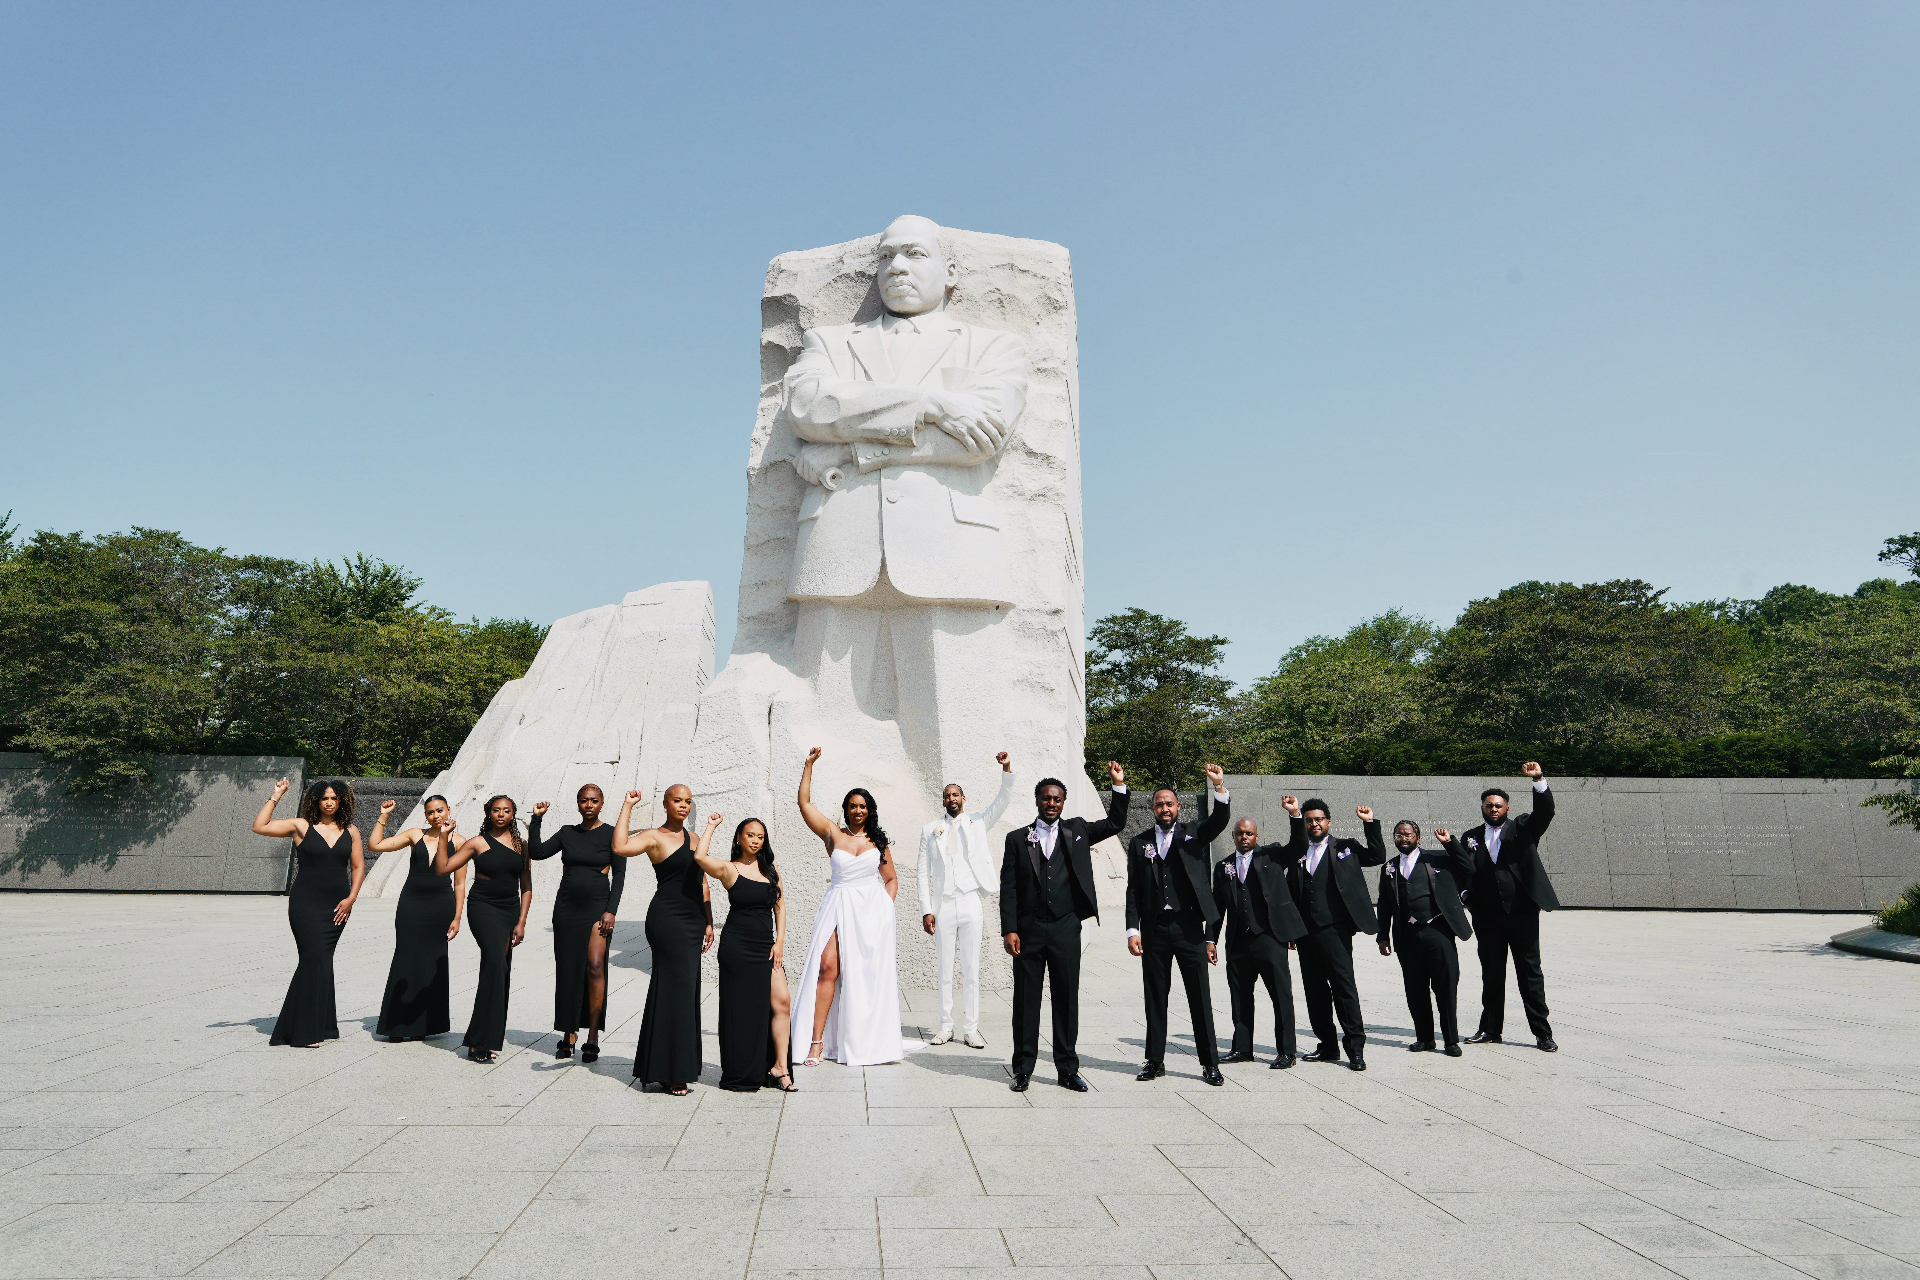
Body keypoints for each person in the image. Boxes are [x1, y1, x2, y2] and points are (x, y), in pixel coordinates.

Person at [1001, 762, 1130, 1093]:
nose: (1051, 804)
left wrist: (1117, 785)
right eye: (1046, 798)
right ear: (1037, 801)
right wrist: (1009, 929)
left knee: (1066, 999)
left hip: (1065, 928)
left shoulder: (1078, 831)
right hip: (1028, 931)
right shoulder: (1017, 839)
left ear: (1063, 802)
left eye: (1057, 799)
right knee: (1026, 1002)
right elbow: (1009, 888)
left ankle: (1067, 1069)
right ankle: (1023, 1069)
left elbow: (1116, 822)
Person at [790, 748, 907, 1068]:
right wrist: (808, 765)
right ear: (846, 809)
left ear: (870, 811)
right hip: (838, 904)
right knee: (827, 968)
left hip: (870, 913)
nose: (858, 810)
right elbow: (804, 804)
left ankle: (860, 1039)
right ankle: (815, 1043)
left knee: (861, 977)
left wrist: (884, 908)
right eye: (853, 806)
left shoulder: (877, 842)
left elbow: (891, 879)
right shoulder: (833, 834)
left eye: (863, 806)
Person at [1124, 766, 1232, 1085]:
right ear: (1153, 809)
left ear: (1178, 808)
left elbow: (1220, 821)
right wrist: (1133, 929)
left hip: (1188, 929)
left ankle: (1210, 1063)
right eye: (1159, 804)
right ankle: (1155, 1061)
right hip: (1155, 929)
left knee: (1199, 996)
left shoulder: (1194, 833)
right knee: (1156, 996)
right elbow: (1133, 889)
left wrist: (1219, 788)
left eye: (1169, 804)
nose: (1165, 808)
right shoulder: (1139, 843)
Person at [1442, 762, 1560, 1051]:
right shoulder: (1470, 837)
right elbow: (1461, 869)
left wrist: (1538, 779)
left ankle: (1542, 1034)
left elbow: (1545, 812)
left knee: (1530, 974)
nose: (1493, 809)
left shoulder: (1523, 828)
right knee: (1492, 974)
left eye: (1498, 805)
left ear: (1507, 809)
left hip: (1522, 915)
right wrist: (1467, 894)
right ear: (1482, 808)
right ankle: (1491, 1029)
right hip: (1488, 918)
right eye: (1489, 805)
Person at [613, 786, 717, 1095]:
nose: (683, 805)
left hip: (694, 920)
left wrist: (709, 920)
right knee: (675, 990)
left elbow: (703, 881)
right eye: (677, 800)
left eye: (688, 801)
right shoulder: (653, 836)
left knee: (684, 991)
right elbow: (619, 847)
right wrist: (627, 805)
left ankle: (666, 1065)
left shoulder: (696, 839)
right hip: (667, 919)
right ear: (666, 803)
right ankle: (673, 1072)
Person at [253, 779, 365, 1048]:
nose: (329, 802)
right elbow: (260, 826)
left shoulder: (352, 831)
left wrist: (351, 898)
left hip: (337, 905)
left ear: (341, 802)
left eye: (334, 798)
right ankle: (302, 1032)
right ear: (316, 800)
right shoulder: (301, 826)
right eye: (324, 798)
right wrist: (276, 795)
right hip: (305, 904)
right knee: (313, 958)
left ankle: (322, 1026)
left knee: (323, 961)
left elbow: (358, 867)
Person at [916, 751, 1017, 1049]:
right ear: (943, 800)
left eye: (956, 794)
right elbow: (923, 874)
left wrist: (1007, 768)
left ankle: (971, 1027)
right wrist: (926, 910)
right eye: (947, 795)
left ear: (963, 798)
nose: (952, 798)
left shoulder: (978, 822)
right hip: (943, 903)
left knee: (971, 968)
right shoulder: (929, 830)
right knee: (945, 968)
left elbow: (1004, 798)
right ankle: (946, 1025)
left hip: (972, 899)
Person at [1279, 795, 1385, 1071]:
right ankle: (1327, 1044)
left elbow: (1377, 856)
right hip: (1305, 933)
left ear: (1328, 822)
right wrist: (1290, 928)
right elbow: (1291, 892)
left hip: (1336, 930)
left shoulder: (1346, 848)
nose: (1314, 824)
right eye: (1309, 820)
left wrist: (1370, 823)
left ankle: (1355, 1048)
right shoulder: (1298, 851)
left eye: (1318, 819)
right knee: (1315, 992)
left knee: (1343, 988)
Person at [693, 817, 796, 1092]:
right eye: (750, 835)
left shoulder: (770, 869)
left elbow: (780, 907)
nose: (755, 840)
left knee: (782, 1001)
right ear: (739, 837)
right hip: (737, 948)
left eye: (760, 837)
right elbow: (700, 857)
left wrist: (780, 941)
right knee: (741, 1011)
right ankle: (742, 1069)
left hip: (766, 946)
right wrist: (712, 826)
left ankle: (780, 1067)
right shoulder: (730, 869)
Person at [526, 784, 624, 1063]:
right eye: (584, 801)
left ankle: (593, 1034)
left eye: (594, 800)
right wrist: (536, 819)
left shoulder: (612, 833)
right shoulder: (568, 832)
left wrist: (611, 911)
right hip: (567, 907)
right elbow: (537, 852)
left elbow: (620, 875)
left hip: (597, 908)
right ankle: (569, 1032)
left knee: (594, 965)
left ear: (602, 803)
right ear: (578, 804)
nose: (589, 805)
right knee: (568, 969)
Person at [433, 795, 532, 1063]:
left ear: (513, 814)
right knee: (495, 964)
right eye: (496, 810)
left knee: (500, 970)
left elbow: (527, 886)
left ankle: (487, 1038)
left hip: (510, 910)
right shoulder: (476, 843)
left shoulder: (522, 845)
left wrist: (521, 921)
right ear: (488, 813)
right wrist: (444, 837)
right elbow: (443, 869)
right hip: (483, 907)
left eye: (507, 810)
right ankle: (479, 1041)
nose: (501, 814)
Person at [1209, 817, 1308, 1069]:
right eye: (1240, 833)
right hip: (1237, 942)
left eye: (1249, 833)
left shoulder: (1273, 857)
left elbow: (1298, 845)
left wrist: (1295, 816)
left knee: (1281, 995)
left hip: (1270, 938)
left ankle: (1287, 1051)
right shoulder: (1223, 867)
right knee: (1240, 996)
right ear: (1233, 836)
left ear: (1257, 836)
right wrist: (1210, 939)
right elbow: (1216, 908)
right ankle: (1242, 1048)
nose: (1244, 837)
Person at [368, 794, 464, 1041]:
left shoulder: (461, 842)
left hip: (441, 906)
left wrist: (457, 917)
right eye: (431, 812)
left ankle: (424, 1025)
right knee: (406, 956)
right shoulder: (414, 835)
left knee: (433, 962)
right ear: (426, 815)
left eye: (440, 810)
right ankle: (397, 1025)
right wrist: (384, 816)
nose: (436, 816)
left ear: (449, 810)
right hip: (412, 903)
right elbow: (375, 845)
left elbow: (460, 883)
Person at [1377, 820, 1473, 1056]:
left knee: (1445, 987)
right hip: (1407, 936)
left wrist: (1450, 843)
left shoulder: (1437, 858)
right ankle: (1425, 1038)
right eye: (1398, 835)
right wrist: (1383, 935)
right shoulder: (1389, 867)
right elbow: (1385, 903)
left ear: (1418, 837)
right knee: (1415, 989)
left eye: (1408, 834)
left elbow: (1467, 867)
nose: (1403, 838)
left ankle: (1451, 1040)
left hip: (1437, 931)